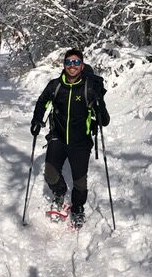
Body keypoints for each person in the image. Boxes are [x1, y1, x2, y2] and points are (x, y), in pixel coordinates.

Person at [30, 48, 110, 228]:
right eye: (68, 62)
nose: (72, 66)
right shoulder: (55, 86)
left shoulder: (89, 88)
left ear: (82, 66)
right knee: (50, 174)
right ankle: (59, 192)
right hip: (58, 137)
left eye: (76, 63)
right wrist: (37, 119)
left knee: (80, 182)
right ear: (64, 65)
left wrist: (99, 103)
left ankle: (78, 208)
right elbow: (42, 102)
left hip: (81, 142)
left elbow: (104, 121)